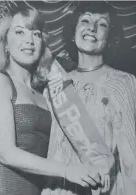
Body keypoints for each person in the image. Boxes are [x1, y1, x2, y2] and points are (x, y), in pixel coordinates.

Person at [0, 5, 103, 195]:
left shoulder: (47, 92)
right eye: (19, 32)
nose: (29, 40)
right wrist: (67, 170)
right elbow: (6, 153)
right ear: (6, 42)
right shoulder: (0, 81)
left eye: (36, 34)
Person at [42, 1, 136, 195]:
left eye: (102, 24)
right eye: (85, 21)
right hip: (59, 190)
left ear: (110, 38)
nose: (91, 28)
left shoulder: (123, 82)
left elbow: (131, 157)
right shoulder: (54, 87)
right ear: (73, 33)